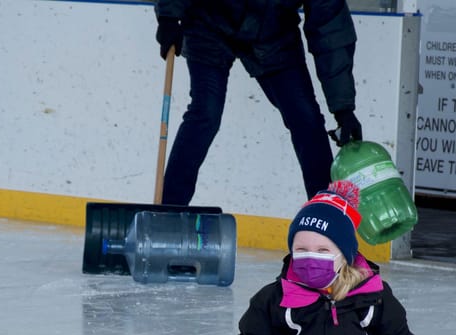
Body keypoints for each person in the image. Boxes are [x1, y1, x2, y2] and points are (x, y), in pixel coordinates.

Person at [181, 180, 456, 335]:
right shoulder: (276, 298)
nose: (310, 257)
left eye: (322, 250)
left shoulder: (373, 296)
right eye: (301, 250)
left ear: (345, 255)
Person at [154, 0, 363, 206]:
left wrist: (343, 108)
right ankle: (167, 214)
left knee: (306, 119)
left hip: (273, 32)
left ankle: (326, 216)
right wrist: (168, 16)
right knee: (205, 113)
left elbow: (330, 26)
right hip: (209, 21)